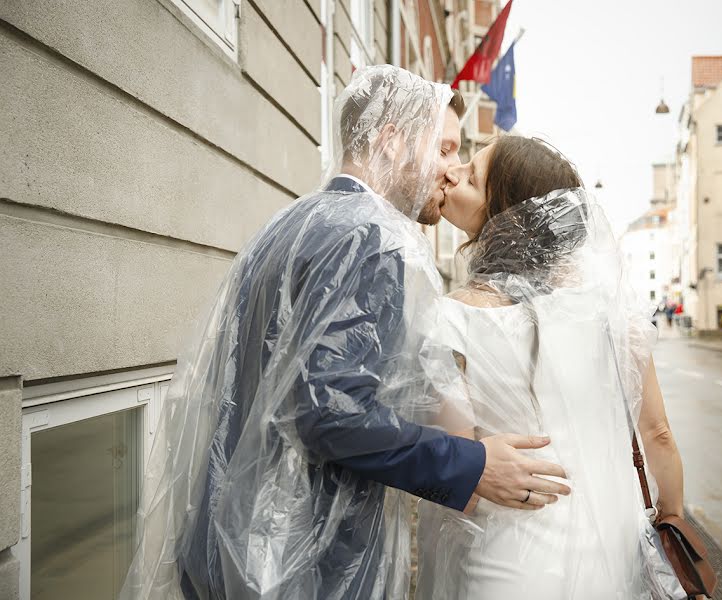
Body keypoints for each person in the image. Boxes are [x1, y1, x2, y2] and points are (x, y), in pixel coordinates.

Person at [120, 67, 568, 600]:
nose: (450, 172)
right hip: (295, 560)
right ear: (392, 141)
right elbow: (330, 412)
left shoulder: (290, 224)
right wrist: (472, 464)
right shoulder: (371, 240)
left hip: (232, 540)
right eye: (445, 150)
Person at [415, 136, 687, 599]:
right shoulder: (613, 318)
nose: (452, 172)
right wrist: (670, 518)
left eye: (473, 176)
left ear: (505, 215)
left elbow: (460, 480)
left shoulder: (451, 320)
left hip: (508, 566)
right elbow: (657, 434)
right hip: (613, 557)